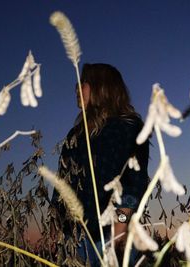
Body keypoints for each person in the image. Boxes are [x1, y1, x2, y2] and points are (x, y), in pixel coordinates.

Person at [49, 63, 150, 265]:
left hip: (110, 236)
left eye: (83, 83)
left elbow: (134, 183)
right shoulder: (75, 135)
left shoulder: (128, 126)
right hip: (74, 238)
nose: (77, 89)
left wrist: (120, 225)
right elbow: (63, 181)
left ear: (102, 88)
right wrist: (55, 219)